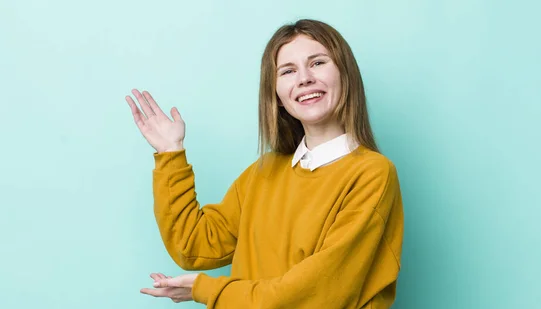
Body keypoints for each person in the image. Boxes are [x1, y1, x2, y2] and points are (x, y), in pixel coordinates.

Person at [126, 18, 404, 308]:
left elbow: (313, 295)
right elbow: (193, 246)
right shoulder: (264, 172)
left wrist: (210, 290)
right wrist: (171, 153)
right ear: (278, 96)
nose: (304, 78)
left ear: (346, 75)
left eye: (318, 63)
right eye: (287, 71)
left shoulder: (373, 174)